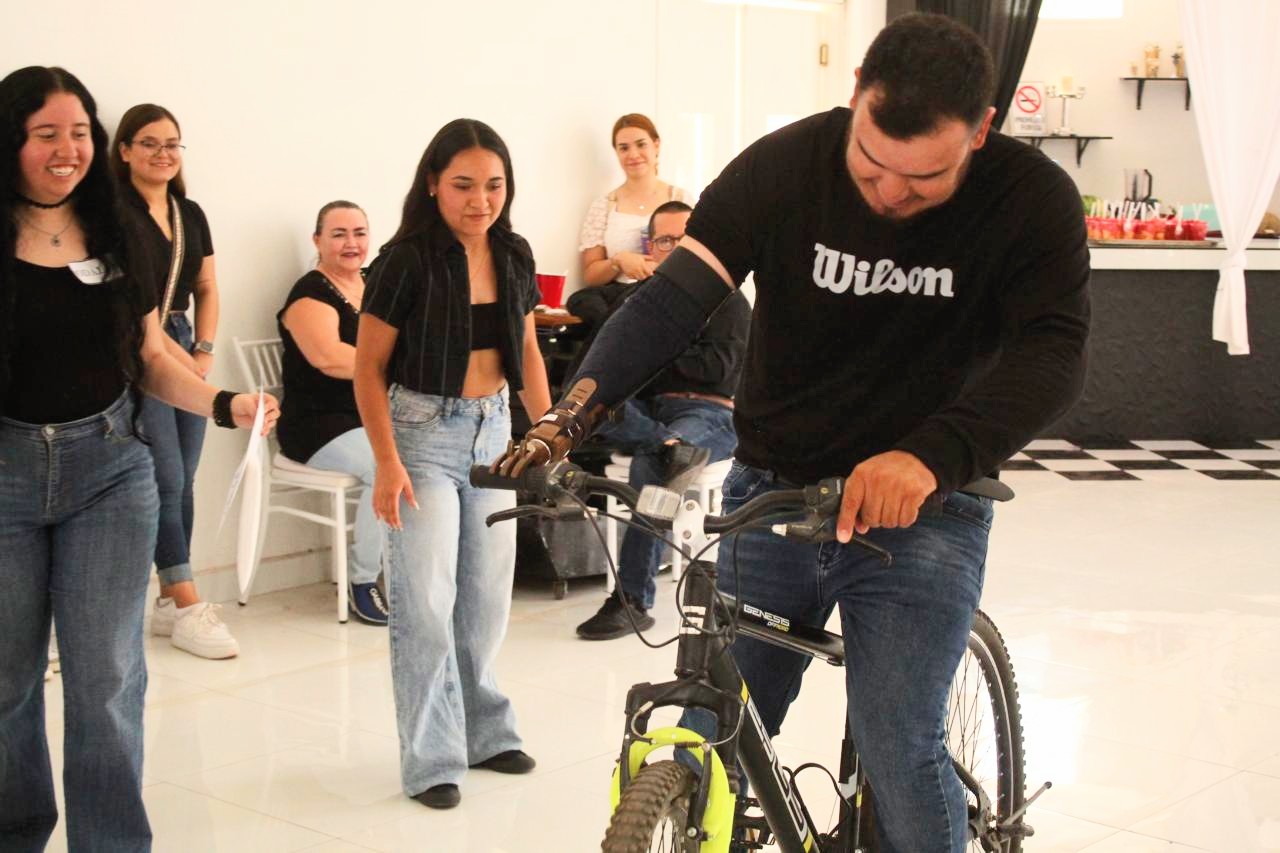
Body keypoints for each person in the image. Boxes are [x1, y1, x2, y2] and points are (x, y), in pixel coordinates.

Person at [492, 14, 1090, 852]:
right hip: (773, 489)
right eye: (871, 163)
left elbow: (1054, 353)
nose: (890, 194)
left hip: (924, 509)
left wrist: (930, 456)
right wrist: (570, 412)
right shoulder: (782, 168)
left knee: (897, 745)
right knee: (717, 730)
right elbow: (671, 301)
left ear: (981, 131)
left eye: (924, 178)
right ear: (856, 96)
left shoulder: (1029, 200)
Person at [0, 66, 278, 852]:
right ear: (11, 141)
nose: (67, 150)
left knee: (107, 678)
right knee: (7, 680)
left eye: (79, 132)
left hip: (109, 470)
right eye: (45, 134)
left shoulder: (119, 229)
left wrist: (224, 402)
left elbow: (152, 355)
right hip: (6, 473)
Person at [353, 119, 552, 810]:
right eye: (464, 185)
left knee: (487, 597)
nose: (480, 200)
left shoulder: (514, 252)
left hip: (494, 432)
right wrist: (386, 462)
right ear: (433, 183)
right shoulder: (403, 261)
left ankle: (485, 732)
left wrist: (549, 434)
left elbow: (528, 351)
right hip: (420, 436)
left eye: (494, 185)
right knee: (426, 603)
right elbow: (368, 369)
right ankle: (431, 757)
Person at [574, 200, 750, 640]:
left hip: (707, 411)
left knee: (652, 465)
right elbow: (582, 302)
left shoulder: (729, 298)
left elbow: (718, 370)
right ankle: (664, 442)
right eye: (666, 240)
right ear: (651, 246)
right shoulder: (643, 296)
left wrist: (649, 356)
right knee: (586, 404)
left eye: (685, 238)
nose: (676, 248)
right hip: (648, 410)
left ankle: (631, 600)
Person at [110, 104, 238, 659]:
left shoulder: (189, 214)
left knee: (184, 478)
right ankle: (186, 601)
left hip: (185, 343)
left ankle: (169, 597)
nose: (163, 154)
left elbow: (207, 286)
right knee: (162, 475)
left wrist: (202, 350)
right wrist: (178, 359)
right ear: (124, 151)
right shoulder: (114, 213)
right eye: (149, 143)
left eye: (171, 144)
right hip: (140, 347)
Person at [277, 200, 387, 625]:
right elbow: (328, 357)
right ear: (317, 240)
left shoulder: (374, 285)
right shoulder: (310, 293)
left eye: (359, 233)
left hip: (370, 417)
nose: (350, 243)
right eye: (338, 234)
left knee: (432, 456)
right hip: (318, 425)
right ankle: (363, 581)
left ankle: (414, 575)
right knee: (385, 466)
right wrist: (396, 366)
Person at [569, 113, 693, 332]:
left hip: (665, 288)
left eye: (641, 144)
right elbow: (591, 275)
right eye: (624, 148)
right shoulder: (604, 205)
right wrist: (618, 261)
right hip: (619, 295)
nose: (633, 154)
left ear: (656, 145)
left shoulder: (681, 200)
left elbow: (697, 257)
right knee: (582, 300)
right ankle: (621, 334)